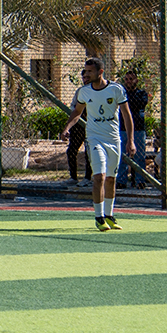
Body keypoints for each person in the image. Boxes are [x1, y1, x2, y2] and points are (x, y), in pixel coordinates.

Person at [62, 57, 132, 231]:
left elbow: (126, 115)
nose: (86, 74)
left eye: (89, 71)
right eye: (85, 71)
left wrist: (130, 141)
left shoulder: (116, 89)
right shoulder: (84, 92)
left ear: (100, 72)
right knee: (99, 176)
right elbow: (77, 112)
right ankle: (99, 217)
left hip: (113, 139)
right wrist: (67, 128)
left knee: (111, 178)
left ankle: (109, 215)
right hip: (94, 139)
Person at [116, 69, 152, 188]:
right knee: (122, 155)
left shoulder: (142, 94)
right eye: (126, 79)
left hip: (138, 128)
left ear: (136, 80)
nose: (128, 81)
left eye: (131, 79)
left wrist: (126, 104)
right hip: (122, 128)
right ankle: (121, 180)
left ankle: (139, 180)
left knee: (139, 156)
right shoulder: (122, 93)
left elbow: (138, 105)